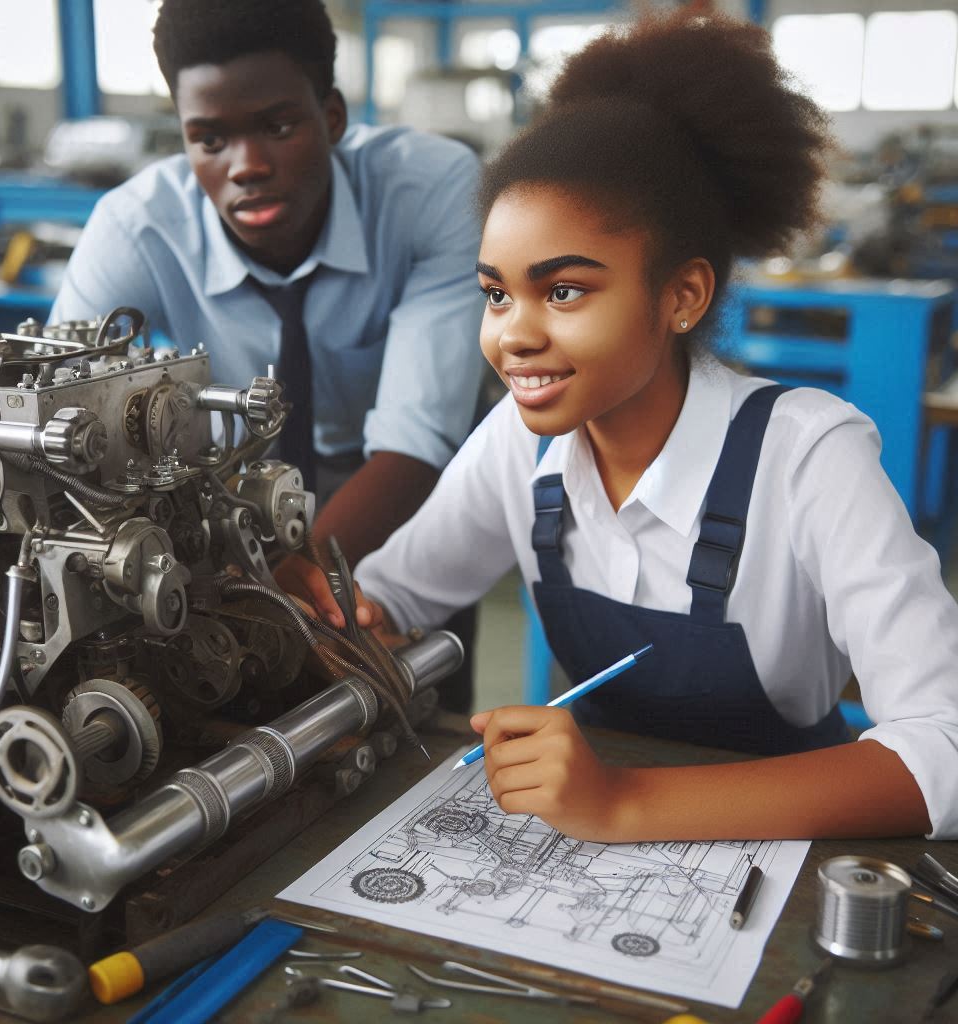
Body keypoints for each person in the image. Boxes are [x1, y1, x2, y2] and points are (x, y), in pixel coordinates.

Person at [297, 10, 958, 842]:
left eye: (564, 291)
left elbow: (945, 744)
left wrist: (623, 803)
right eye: (496, 293)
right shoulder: (522, 442)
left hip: (788, 852)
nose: (514, 334)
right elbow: (397, 594)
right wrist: (352, 616)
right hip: (596, 858)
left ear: (682, 296)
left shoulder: (806, 456)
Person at [50, 0, 485, 708]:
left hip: (396, 510)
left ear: (332, 117)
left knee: (415, 708)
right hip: (229, 524)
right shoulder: (135, 229)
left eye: (278, 126)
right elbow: (60, 426)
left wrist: (296, 577)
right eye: (209, 139)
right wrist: (246, 580)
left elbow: (416, 442)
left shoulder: (430, 193)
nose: (246, 166)